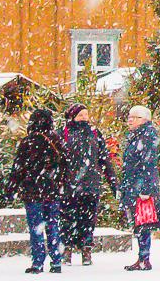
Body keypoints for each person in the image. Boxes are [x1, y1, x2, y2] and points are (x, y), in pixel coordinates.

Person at [8, 108, 66, 275]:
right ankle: (56, 261)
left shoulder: (28, 142)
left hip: (32, 192)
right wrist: (59, 183)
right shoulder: (56, 141)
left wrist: (12, 188)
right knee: (53, 226)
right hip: (52, 192)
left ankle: (38, 262)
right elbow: (64, 166)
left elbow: (18, 168)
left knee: (36, 228)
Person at [60, 104, 118, 265]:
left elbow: (104, 159)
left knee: (88, 219)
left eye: (86, 115)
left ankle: (86, 250)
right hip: (69, 185)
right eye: (80, 115)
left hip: (90, 184)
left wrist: (113, 182)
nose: (84, 118)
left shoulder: (94, 133)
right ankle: (67, 249)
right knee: (67, 218)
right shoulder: (63, 133)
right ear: (72, 117)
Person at [118, 105, 160, 272]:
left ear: (144, 120)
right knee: (140, 223)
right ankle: (143, 257)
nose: (130, 120)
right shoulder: (138, 136)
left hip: (142, 188)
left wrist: (145, 189)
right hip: (135, 185)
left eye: (134, 117)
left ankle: (144, 258)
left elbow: (148, 164)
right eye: (129, 116)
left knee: (143, 222)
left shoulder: (146, 136)